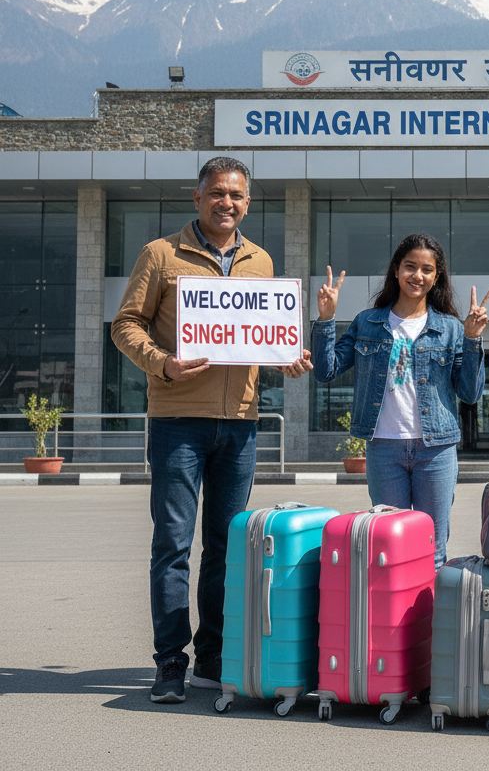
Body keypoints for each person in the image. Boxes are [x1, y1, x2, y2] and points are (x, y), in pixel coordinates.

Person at [111, 157, 312, 704]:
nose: (229, 203)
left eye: (239, 196)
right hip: (178, 421)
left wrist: (286, 356)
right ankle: (170, 662)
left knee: (225, 548)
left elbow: (259, 335)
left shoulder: (261, 261)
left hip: (240, 424)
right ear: (197, 198)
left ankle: (212, 656)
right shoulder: (161, 254)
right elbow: (124, 325)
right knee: (172, 544)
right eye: (218, 193)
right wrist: (162, 362)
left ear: (249, 203)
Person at [312, 233, 489, 569]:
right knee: (388, 547)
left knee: (433, 548)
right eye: (410, 266)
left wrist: (471, 340)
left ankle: (428, 622)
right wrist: (325, 319)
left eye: (427, 269)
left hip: (435, 451)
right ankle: (395, 622)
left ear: (436, 276)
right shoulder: (368, 323)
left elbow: (469, 393)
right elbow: (325, 371)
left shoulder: (450, 328)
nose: (418, 276)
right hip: (384, 448)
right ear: (396, 270)